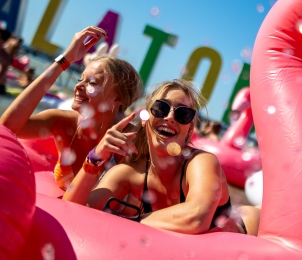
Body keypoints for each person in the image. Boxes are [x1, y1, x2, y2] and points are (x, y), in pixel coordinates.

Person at [62, 79, 260, 236]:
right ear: (145, 117)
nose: (170, 117)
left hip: (248, 228)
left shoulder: (200, 162)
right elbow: (71, 210)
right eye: (161, 108)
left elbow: (196, 217)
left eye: (183, 114)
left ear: (190, 128)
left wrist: (127, 224)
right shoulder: (130, 173)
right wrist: (95, 158)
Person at [0, 26, 143, 189]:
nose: (79, 86)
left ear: (117, 98)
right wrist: (65, 60)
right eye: (80, 79)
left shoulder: (133, 141)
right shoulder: (63, 123)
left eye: (92, 83)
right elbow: (8, 128)